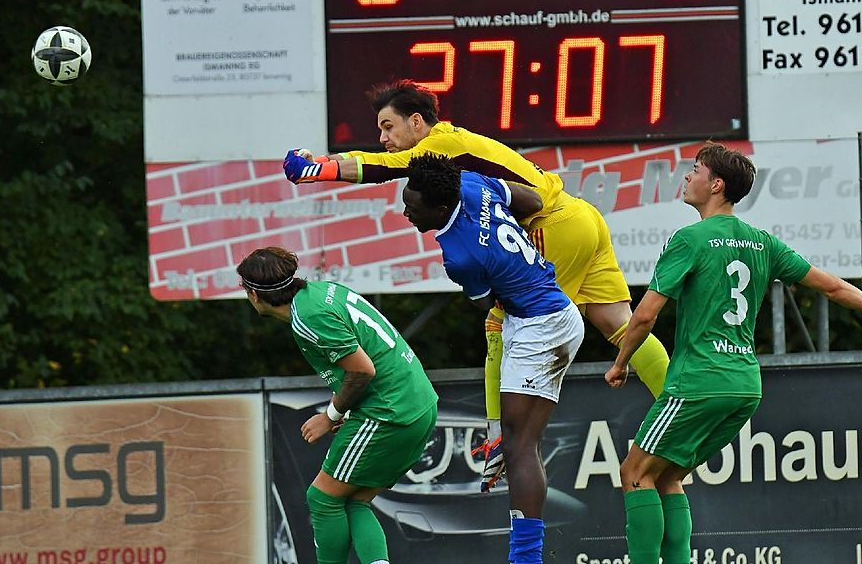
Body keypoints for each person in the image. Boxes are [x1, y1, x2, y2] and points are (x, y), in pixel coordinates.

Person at [283, 79, 671, 492]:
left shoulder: (440, 145)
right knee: (619, 324)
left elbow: (380, 167)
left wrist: (319, 168)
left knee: (497, 324)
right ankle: (677, 402)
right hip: (580, 215)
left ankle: (496, 437)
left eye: (388, 127)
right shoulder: (450, 146)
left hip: (551, 225)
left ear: (417, 122)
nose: (383, 139)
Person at [604, 142, 862, 564]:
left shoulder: (689, 239)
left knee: (633, 473)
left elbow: (644, 316)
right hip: (744, 386)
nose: (686, 176)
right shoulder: (761, 242)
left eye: (695, 169)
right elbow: (832, 286)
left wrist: (621, 363)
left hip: (698, 381)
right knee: (667, 476)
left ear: (715, 184)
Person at [401, 152, 584, 564]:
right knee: (516, 443)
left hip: (541, 327)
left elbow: (489, 302)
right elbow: (534, 203)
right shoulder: (469, 182)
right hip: (543, 316)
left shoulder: (460, 258)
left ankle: (525, 557)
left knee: (521, 447)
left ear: (441, 208)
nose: (405, 212)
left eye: (413, 207)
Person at [236, 247, 438, 564]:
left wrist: (330, 416)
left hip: (389, 412)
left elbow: (363, 369)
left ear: (254, 295)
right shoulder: (320, 293)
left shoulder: (307, 317)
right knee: (354, 501)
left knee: (322, 498)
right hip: (419, 405)